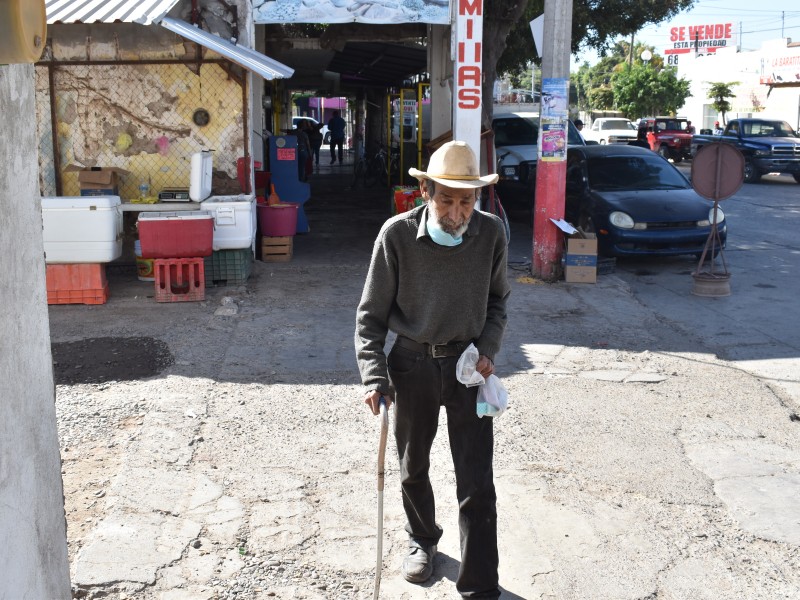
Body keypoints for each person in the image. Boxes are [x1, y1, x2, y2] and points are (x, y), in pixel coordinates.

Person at [355, 141, 510, 598]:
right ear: (425, 190)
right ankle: (422, 539)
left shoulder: (491, 234)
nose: (457, 212)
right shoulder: (397, 236)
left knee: (476, 478)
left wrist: (488, 347)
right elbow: (370, 317)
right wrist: (374, 374)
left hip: (467, 365)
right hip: (411, 362)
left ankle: (481, 583)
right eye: (447, 199)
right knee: (412, 467)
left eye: (467, 200)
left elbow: (499, 300)